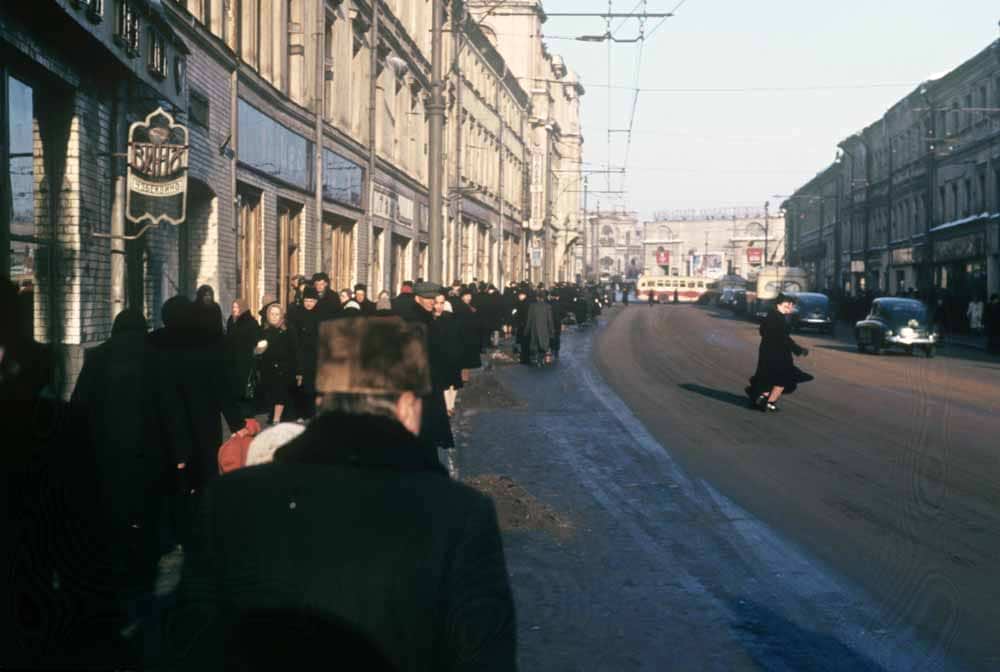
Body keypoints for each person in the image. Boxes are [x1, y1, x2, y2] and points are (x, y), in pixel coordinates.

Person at [166, 316, 516, 671]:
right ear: (409, 406)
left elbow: (189, 645)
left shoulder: (230, 499)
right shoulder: (461, 516)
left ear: (321, 403)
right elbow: (483, 657)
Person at [746, 294, 813, 412]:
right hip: (776, 353)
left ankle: (764, 399)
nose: (790, 306)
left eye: (792, 304)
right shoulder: (776, 317)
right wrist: (798, 349)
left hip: (772, 351)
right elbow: (783, 337)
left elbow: (764, 332)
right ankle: (766, 400)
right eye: (787, 304)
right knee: (781, 378)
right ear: (778, 304)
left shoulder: (776, 316)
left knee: (772, 378)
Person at [258, 301, 300, 424]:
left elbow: (295, 350)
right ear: (268, 315)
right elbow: (260, 349)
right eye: (272, 314)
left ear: (281, 315)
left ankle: (276, 418)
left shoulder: (288, 329)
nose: (274, 316)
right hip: (268, 368)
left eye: (277, 314)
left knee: (280, 392)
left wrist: (298, 370)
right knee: (271, 393)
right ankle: (275, 416)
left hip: (284, 368)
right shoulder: (264, 330)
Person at [224, 299, 261, 420]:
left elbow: (256, 340)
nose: (234, 310)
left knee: (246, 386)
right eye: (233, 307)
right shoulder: (231, 320)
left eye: (237, 307)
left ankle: (247, 412)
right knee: (234, 385)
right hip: (232, 358)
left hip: (246, 359)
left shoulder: (251, 322)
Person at [291, 287, 321, 420]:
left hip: (314, 356)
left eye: (312, 301)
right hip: (300, 354)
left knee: (312, 386)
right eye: (307, 300)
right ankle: (300, 413)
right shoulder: (297, 314)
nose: (309, 303)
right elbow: (293, 335)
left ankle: (311, 412)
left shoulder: (320, 315)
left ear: (316, 301)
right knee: (300, 385)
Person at [524, 291, 556, 367]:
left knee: (535, 344)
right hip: (544, 329)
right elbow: (550, 320)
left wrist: (527, 330)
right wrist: (551, 330)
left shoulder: (532, 306)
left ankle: (537, 359)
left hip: (534, 329)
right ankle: (542, 359)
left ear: (537, 298)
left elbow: (529, 319)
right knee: (543, 345)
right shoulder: (547, 306)